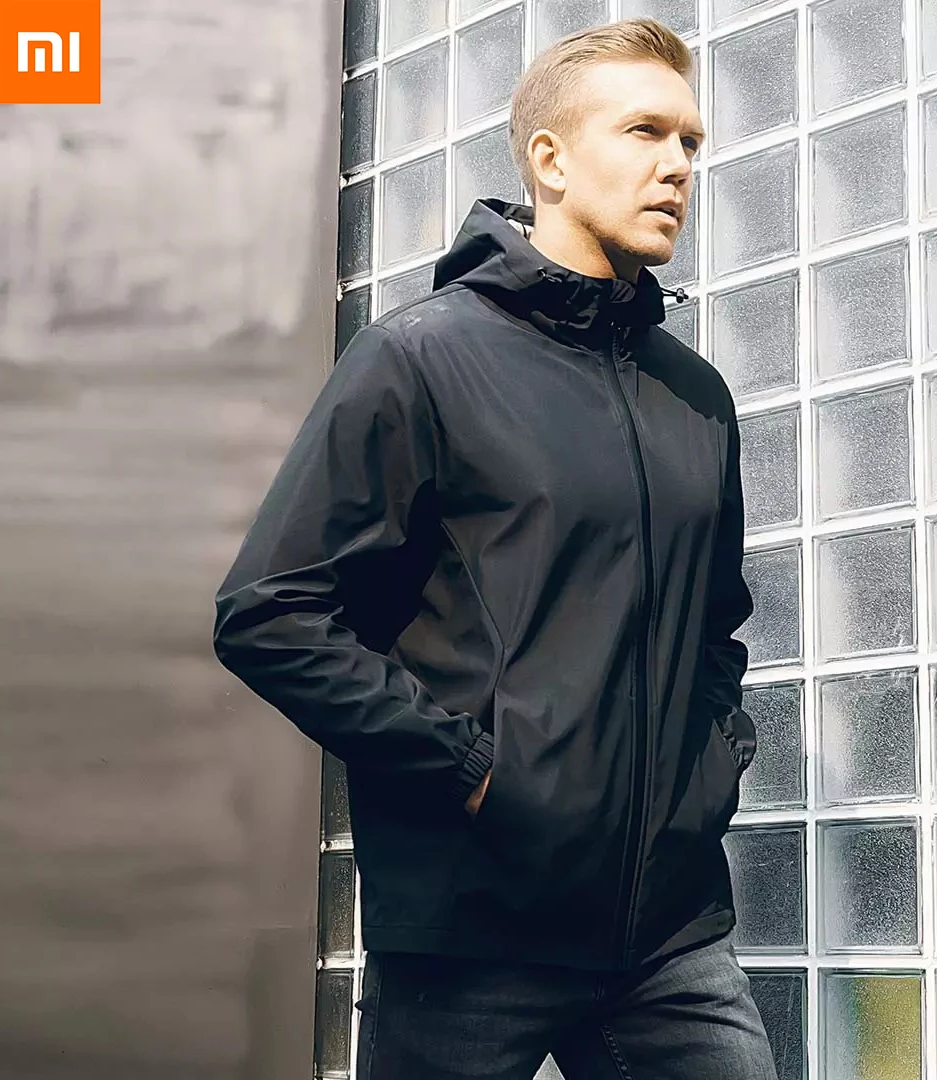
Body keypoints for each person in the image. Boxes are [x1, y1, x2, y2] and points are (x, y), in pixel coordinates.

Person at [214, 17, 776, 1080]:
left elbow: (716, 628)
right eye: (646, 131)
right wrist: (469, 772)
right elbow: (270, 613)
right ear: (549, 160)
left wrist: (710, 771)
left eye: (691, 141)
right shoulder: (419, 360)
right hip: (475, 929)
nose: (678, 165)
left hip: (669, 935)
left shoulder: (696, 394)